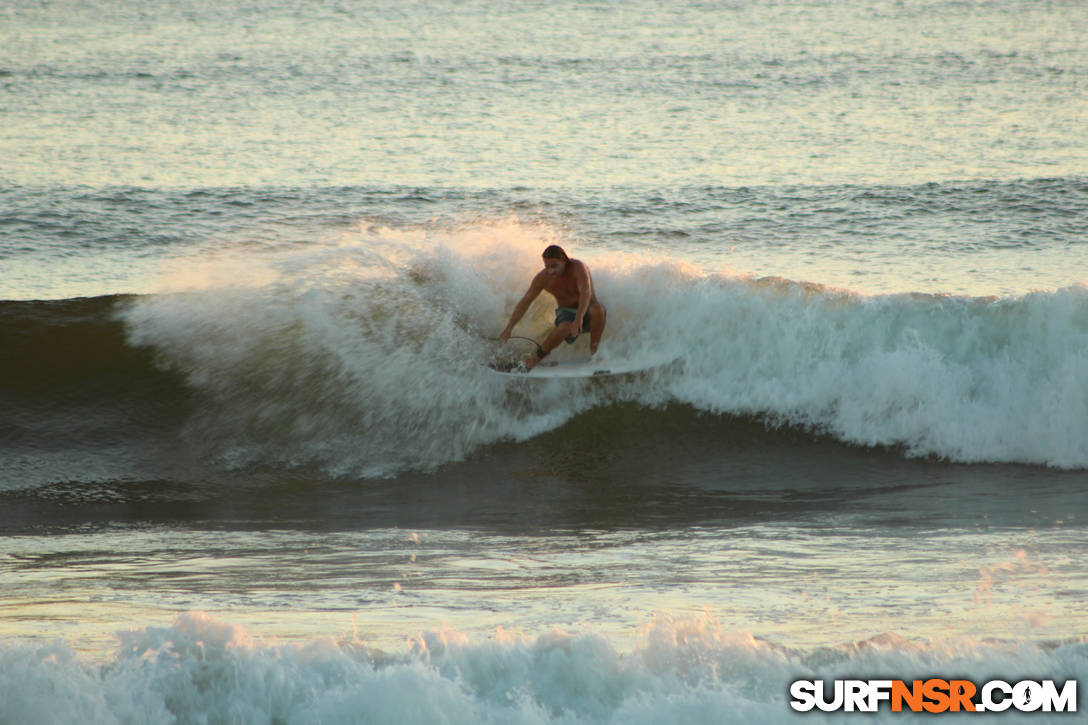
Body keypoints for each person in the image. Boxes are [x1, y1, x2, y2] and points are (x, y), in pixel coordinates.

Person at [498, 245, 606, 370]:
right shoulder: (543, 278)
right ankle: (533, 360)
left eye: (554, 266)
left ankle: (595, 353)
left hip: (587, 310)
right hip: (566, 313)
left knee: (598, 310)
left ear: (564, 260)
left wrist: (579, 318)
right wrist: (509, 328)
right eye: (547, 267)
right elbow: (525, 302)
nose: (550, 271)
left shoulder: (578, 268)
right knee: (565, 326)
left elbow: (585, 293)